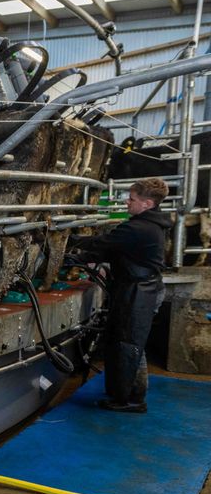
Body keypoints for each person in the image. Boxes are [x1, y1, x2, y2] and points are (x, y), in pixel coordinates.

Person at [70, 177, 172, 413]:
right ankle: (125, 392)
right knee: (129, 342)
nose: (127, 202)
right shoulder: (150, 224)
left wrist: (72, 241)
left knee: (130, 344)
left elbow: (103, 243)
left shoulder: (138, 228)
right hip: (140, 287)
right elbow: (115, 251)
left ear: (147, 203)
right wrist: (80, 256)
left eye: (132, 199)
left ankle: (131, 400)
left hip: (139, 291)